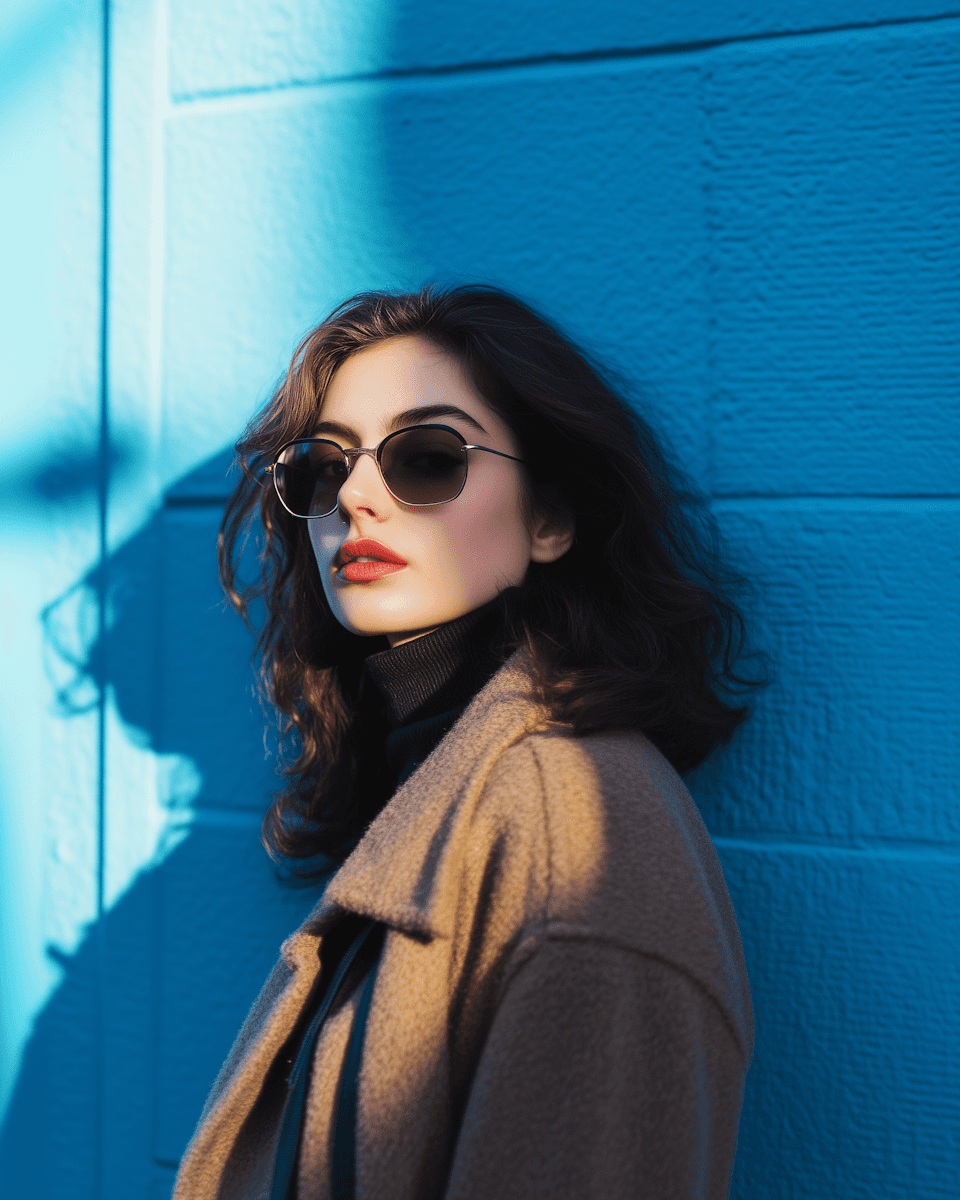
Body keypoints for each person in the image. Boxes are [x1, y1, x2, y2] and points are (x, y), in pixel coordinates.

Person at [172, 285, 760, 1200]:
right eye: (324, 468)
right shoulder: (450, 786)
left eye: (426, 457)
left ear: (551, 520)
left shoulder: (580, 848)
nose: (354, 498)